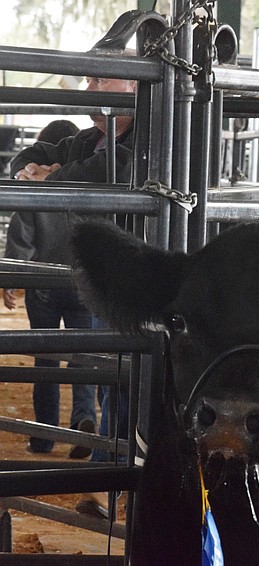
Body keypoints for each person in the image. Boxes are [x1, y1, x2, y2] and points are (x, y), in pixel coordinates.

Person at [9, 75, 135, 515]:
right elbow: (35, 156)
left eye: (102, 79)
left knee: (117, 377)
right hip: (96, 284)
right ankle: (107, 474)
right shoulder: (87, 140)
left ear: (136, 86)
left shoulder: (153, 133)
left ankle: (105, 477)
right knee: (107, 374)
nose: (88, 88)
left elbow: (120, 167)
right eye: (88, 79)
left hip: (140, 282)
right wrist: (28, 168)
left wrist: (57, 175)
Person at [3, 118, 93, 458]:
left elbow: (21, 236)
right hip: (83, 287)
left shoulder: (38, 188)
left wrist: (12, 278)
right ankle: (84, 420)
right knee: (84, 360)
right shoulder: (89, 187)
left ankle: (43, 437)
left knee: (46, 361)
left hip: (43, 287)